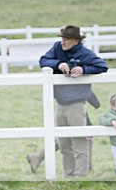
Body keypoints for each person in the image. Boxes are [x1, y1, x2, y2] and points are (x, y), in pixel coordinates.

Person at [38, 25, 108, 178]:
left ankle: (80, 174)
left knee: (79, 141)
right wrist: (58, 64)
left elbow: (102, 66)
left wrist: (84, 70)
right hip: (60, 102)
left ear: (76, 41)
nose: (63, 42)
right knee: (64, 143)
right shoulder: (57, 48)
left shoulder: (84, 53)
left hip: (76, 102)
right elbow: (43, 60)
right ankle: (68, 174)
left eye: (67, 40)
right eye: (62, 39)